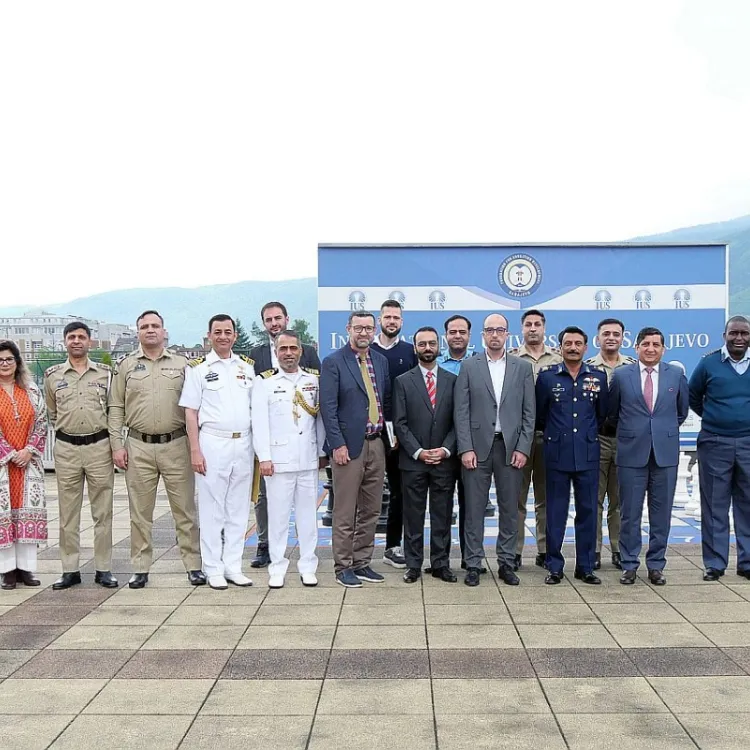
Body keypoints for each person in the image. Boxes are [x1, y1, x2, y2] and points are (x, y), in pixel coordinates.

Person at [108, 310, 204, 589]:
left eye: (155, 326)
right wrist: (117, 445)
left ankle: (193, 565)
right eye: (144, 326)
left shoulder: (183, 364)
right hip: (138, 446)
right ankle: (140, 567)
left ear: (164, 331)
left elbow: (195, 407)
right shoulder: (126, 366)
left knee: (185, 510)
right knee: (140, 512)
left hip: (176, 445)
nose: (150, 330)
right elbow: (116, 407)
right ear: (137, 332)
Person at [454, 313, 535, 586]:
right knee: (474, 509)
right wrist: (465, 448)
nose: (495, 335)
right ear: (483, 335)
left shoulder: (522, 368)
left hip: (510, 448)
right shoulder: (469, 366)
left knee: (510, 508)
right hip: (476, 448)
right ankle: (474, 563)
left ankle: (507, 562)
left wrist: (523, 447)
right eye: (490, 330)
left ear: (508, 334)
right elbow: (461, 411)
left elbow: (529, 413)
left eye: (500, 330)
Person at [607, 326, 689, 586]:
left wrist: (660, 431)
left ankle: (656, 565)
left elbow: (681, 412)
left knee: (661, 512)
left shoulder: (676, 375)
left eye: (656, 344)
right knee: (629, 512)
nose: (651, 349)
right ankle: (629, 564)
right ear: (637, 347)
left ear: (663, 349)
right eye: (646, 344)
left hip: (664, 454)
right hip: (631, 453)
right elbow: (611, 413)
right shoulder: (621, 376)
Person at [180, 314, 255, 590]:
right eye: (218, 332)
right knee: (213, 510)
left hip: (243, 443)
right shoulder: (198, 369)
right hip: (213, 441)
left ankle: (233, 565)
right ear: (209, 335)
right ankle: (212, 568)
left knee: (238, 509)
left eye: (228, 331)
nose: (223, 336)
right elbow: (190, 411)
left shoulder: (247, 368)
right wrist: (195, 450)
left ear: (235, 335)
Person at [320, 311, 391, 588]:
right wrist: (337, 444)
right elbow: (328, 407)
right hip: (348, 447)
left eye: (369, 328)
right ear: (348, 329)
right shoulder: (334, 362)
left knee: (371, 509)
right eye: (359, 328)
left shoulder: (380, 361)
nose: (364, 333)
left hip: (376, 443)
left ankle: (362, 562)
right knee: (345, 510)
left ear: (375, 331)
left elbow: (382, 400)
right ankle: (343, 566)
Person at [44, 321, 117, 590]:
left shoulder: (105, 374)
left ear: (90, 341)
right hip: (67, 449)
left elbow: (113, 411)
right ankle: (70, 569)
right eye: (72, 337)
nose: (77, 341)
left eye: (82, 337)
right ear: (65, 341)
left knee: (103, 512)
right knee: (68, 513)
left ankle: (103, 568)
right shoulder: (53, 375)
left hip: (99, 446)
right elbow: (53, 413)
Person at [248, 301, 321, 568]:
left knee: (304, 508)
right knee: (264, 498)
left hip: (303, 446)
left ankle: (307, 560)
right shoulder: (255, 354)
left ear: (286, 319)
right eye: (268, 320)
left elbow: (316, 401)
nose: (274, 323)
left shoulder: (309, 352)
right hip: (271, 440)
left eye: (278, 318)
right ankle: (265, 545)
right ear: (264, 324)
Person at [536, 326, 608, 585]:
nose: (573, 347)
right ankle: (554, 566)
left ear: (586, 347)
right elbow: (541, 415)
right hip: (557, 452)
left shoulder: (598, 377)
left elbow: (601, 415)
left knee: (588, 511)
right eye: (568, 343)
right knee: (555, 511)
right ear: (560, 346)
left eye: (578, 343)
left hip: (588, 453)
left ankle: (585, 566)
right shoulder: (547, 378)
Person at [393, 326, 458, 583]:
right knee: (413, 515)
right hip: (414, 462)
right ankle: (413, 564)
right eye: (422, 344)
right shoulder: (403, 381)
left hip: (444, 461)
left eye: (432, 343)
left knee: (442, 514)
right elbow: (400, 423)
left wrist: (444, 449)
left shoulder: (453, 381)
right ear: (415, 347)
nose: (428, 348)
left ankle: (441, 563)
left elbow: (458, 421)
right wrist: (419, 452)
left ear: (438, 345)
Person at [688, 315, 750, 581]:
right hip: (715, 442)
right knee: (715, 504)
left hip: (748, 443)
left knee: (747, 504)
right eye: (734, 333)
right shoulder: (709, 363)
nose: (739, 338)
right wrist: (716, 418)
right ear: (724, 335)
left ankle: (747, 563)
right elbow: (693, 396)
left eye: (744, 334)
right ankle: (715, 563)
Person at [508, 309, 562, 571]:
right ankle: (514, 551)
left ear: (544, 328)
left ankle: (544, 549)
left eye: (537, 324)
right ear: (522, 329)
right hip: (518, 439)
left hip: (549, 436)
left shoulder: (559, 358)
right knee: (516, 499)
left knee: (546, 498)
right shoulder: (511, 359)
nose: (532, 328)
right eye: (528, 324)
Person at [585, 318, 636, 570]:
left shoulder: (632, 367)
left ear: (623, 338)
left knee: (619, 501)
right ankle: (593, 550)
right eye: (606, 333)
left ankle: (618, 549)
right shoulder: (587, 367)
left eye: (616, 334)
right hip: (597, 440)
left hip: (625, 441)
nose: (611, 338)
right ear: (598, 338)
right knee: (594, 498)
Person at [371, 299, 417, 569]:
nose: (391, 321)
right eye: (387, 317)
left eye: (396, 318)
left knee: (401, 492)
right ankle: (358, 549)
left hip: (401, 435)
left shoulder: (409, 352)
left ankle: (393, 546)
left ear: (401, 322)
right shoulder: (368, 350)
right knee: (368, 493)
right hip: (372, 433)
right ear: (379, 320)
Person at [0, 340, 47, 591]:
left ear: (17, 362)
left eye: (9, 359)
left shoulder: (31, 390)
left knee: (26, 513)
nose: (5, 364)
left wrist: (29, 451)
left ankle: (26, 568)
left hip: (29, 464)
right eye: (0, 360)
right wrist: (9, 453)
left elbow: (42, 422)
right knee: (5, 516)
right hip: (3, 466)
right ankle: (7, 571)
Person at [437, 314, 475, 567]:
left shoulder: (479, 364)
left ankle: (469, 558)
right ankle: (440, 560)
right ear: (446, 336)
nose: (457, 336)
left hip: (473, 445)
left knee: (471, 505)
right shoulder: (434, 364)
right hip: (443, 445)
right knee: (441, 506)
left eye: (462, 332)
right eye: (453, 332)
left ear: (469, 336)